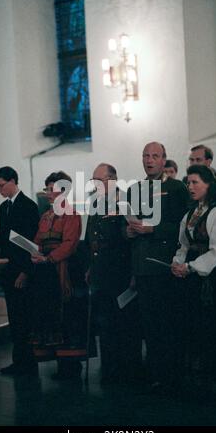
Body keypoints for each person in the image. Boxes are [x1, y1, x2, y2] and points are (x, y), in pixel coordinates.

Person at [127, 142, 189, 392]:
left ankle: (171, 375)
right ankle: (155, 373)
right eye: (145, 155)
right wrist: (128, 231)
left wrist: (154, 228)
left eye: (155, 156)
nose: (149, 160)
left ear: (164, 160)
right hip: (141, 267)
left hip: (164, 267)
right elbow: (126, 225)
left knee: (167, 325)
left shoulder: (176, 188)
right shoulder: (134, 189)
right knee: (148, 326)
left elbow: (184, 227)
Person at [171, 165, 216, 388]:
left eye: (195, 182)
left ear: (208, 185)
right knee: (191, 325)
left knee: (209, 326)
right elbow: (183, 245)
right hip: (190, 279)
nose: (190, 186)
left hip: (212, 281)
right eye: (188, 182)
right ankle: (193, 376)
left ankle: (210, 378)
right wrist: (178, 264)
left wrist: (192, 266)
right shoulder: (189, 215)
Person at [85, 163, 142, 384]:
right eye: (93, 181)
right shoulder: (95, 203)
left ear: (112, 180)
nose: (95, 185)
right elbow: (93, 239)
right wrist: (90, 266)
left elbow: (133, 240)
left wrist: (134, 272)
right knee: (105, 323)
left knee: (125, 324)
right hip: (101, 273)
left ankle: (130, 370)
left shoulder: (125, 201)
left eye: (99, 180)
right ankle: (110, 368)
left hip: (121, 272)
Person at [31, 171, 83, 379]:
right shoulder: (45, 216)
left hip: (64, 272)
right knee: (51, 316)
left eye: (52, 189)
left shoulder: (72, 214)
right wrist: (34, 252)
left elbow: (69, 244)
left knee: (67, 318)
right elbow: (37, 240)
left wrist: (49, 258)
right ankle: (60, 364)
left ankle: (70, 366)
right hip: (45, 273)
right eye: (47, 189)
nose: (49, 194)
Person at [0, 166, 40, 376]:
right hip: (9, 269)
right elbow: (7, 238)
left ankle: (29, 362)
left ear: (13, 181)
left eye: (1, 185)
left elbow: (31, 242)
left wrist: (26, 271)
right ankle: (18, 361)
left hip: (22, 270)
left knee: (25, 318)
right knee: (14, 319)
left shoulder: (28, 206)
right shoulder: (4, 208)